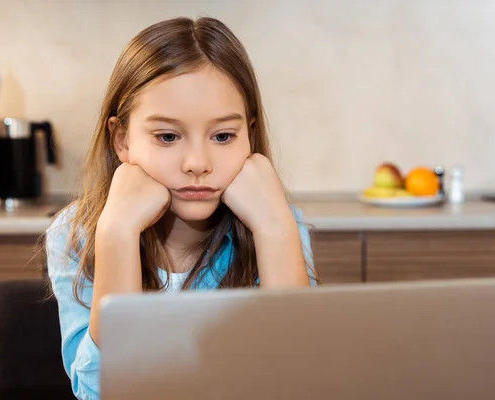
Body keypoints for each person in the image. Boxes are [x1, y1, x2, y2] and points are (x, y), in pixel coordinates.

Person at [45, 16, 318, 400]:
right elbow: (102, 392)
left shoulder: (278, 224)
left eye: (223, 136)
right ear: (122, 141)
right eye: (168, 136)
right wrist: (117, 235)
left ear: (250, 137)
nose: (197, 162)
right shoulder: (75, 233)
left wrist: (275, 232)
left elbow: (301, 383)